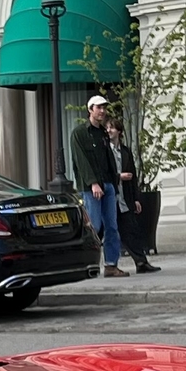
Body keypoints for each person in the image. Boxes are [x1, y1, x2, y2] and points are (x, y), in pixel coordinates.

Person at [71, 95, 127, 278]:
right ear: (90, 110)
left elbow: (108, 160)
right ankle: (85, 263)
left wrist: (114, 181)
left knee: (112, 226)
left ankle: (111, 265)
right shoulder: (79, 133)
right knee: (93, 225)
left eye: (104, 107)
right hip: (91, 188)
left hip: (108, 185)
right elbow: (81, 161)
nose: (102, 111)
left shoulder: (103, 133)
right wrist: (93, 183)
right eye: (98, 107)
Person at [106, 120, 158, 273]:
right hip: (109, 197)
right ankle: (108, 265)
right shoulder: (105, 151)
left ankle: (141, 263)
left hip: (125, 197)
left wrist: (136, 198)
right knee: (106, 230)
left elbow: (133, 176)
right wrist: (118, 177)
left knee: (131, 229)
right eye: (107, 128)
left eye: (112, 128)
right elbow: (103, 173)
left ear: (119, 132)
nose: (109, 130)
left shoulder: (126, 151)